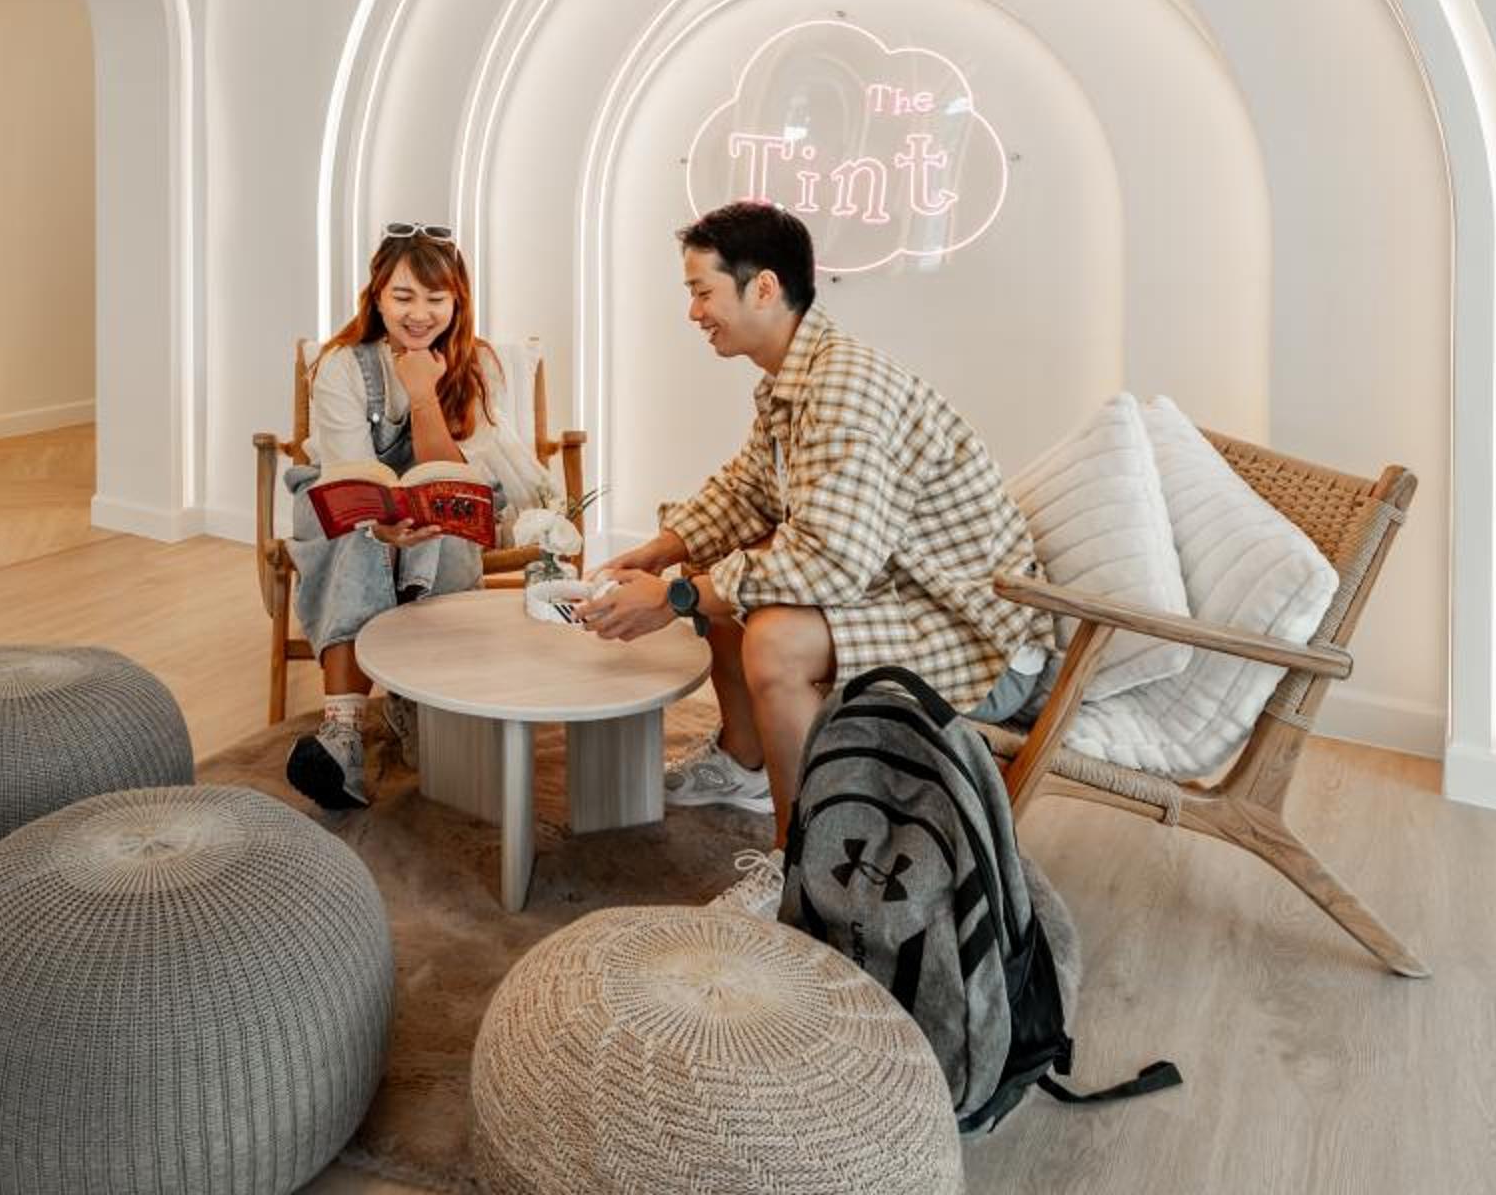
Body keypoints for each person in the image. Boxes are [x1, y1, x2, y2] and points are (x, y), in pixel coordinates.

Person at [580, 200, 1050, 918]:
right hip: (901, 591)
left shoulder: (844, 388)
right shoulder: (793, 379)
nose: (694, 312)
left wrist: (675, 598)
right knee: (733, 567)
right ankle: (745, 763)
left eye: (702, 291)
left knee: (772, 636)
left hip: (974, 636)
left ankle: (802, 869)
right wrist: (653, 555)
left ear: (763, 288)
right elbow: (745, 492)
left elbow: (830, 563)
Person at [285, 224, 552, 811]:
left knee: (444, 523)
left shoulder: (477, 366)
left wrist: (424, 393)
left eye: (436, 298)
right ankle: (343, 734)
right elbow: (350, 473)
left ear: (458, 301)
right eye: (403, 296)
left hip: (438, 497)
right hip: (352, 499)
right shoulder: (342, 365)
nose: (419, 313)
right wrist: (378, 524)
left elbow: (450, 474)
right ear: (377, 297)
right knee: (356, 539)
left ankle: (420, 695)